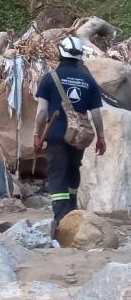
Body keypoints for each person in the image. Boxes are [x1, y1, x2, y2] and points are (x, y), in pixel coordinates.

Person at [34, 36, 105, 228]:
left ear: (60, 54)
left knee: (58, 174)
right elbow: (96, 114)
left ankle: (62, 220)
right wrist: (101, 138)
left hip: (56, 135)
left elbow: (41, 111)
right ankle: (73, 211)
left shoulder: (50, 78)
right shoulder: (89, 80)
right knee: (73, 170)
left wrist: (37, 134)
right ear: (79, 56)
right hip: (79, 136)